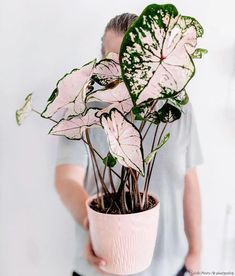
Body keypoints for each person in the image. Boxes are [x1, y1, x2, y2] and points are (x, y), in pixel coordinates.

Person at [54, 13, 204, 276]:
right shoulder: (84, 109)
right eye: (114, 62)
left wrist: (196, 251)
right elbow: (66, 179)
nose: (125, 72)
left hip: (169, 266)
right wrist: (93, 224)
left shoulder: (176, 106)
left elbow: (189, 180)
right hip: (102, 265)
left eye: (132, 60)